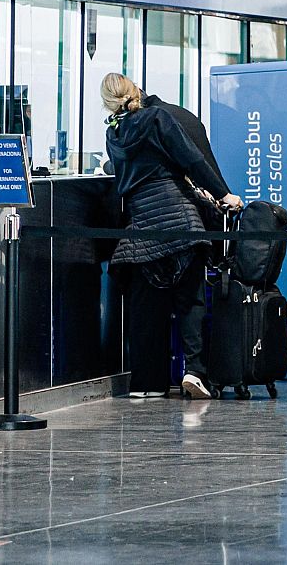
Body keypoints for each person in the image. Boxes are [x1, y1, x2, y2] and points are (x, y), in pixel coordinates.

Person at [101, 73, 242, 399]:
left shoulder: (114, 133)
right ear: (137, 90)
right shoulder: (158, 118)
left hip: (142, 223)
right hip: (179, 216)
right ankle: (194, 372)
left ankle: (146, 384)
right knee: (190, 297)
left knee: (146, 303)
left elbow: (121, 179)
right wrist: (224, 195)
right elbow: (191, 160)